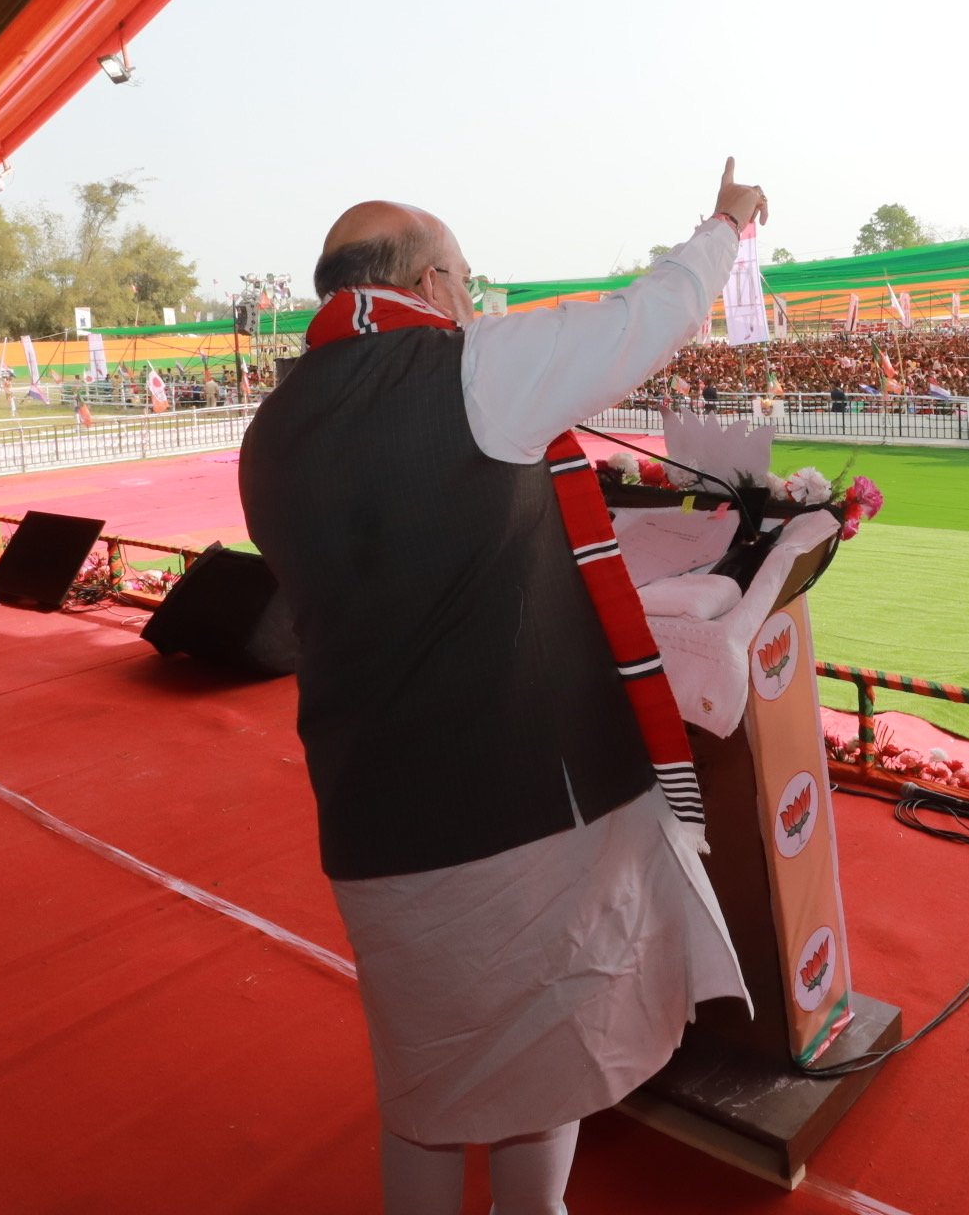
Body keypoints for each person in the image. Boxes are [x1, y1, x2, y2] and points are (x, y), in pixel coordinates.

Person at [239, 160, 767, 1215]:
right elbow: (644, 317)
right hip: (520, 806)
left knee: (427, 1083)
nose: (473, 300)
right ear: (431, 285)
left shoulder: (271, 431)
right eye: (467, 281)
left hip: (372, 814)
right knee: (541, 1064)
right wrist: (725, 226)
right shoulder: (466, 370)